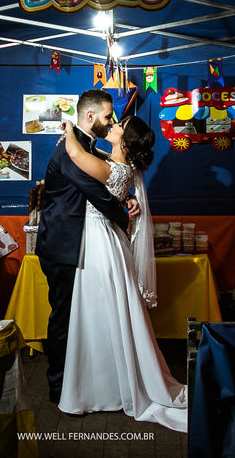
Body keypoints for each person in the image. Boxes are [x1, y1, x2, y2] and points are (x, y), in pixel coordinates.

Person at [56, 114, 187, 432]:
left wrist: (69, 127)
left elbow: (76, 155)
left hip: (102, 243)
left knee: (99, 308)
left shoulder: (114, 169)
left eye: (119, 126)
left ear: (125, 141)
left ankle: (101, 388)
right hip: (106, 238)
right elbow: (93, 154)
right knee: (105, 309)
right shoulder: (117, 164)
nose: (112, 125)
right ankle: (109, 383)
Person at [36, 90, 137, 406]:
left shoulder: (82, 145)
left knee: (73, 317)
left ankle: (79, 380)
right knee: (63, 318)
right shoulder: (71, 150)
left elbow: (106, 182)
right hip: (63, 245)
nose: (111, 122)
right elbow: (95, 190)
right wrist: (123, 216)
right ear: (90, 116)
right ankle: (58, 386)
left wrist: (125, 197)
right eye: (108, 116)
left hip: (76, 242)